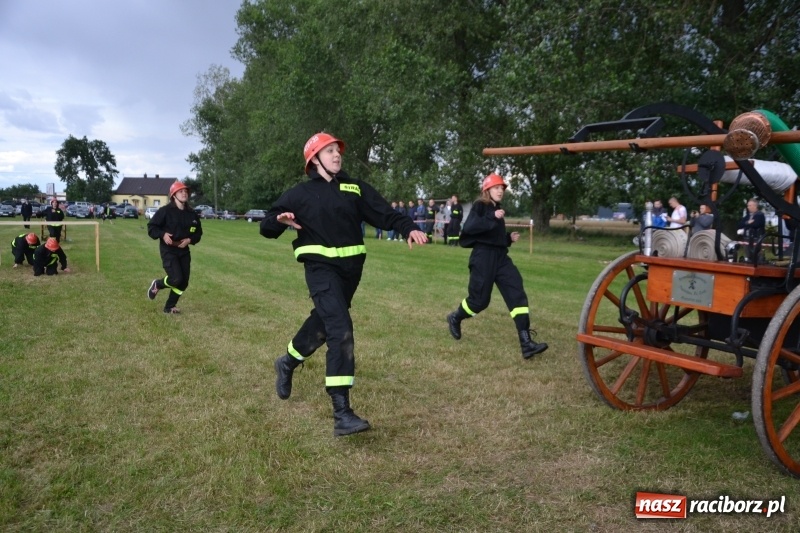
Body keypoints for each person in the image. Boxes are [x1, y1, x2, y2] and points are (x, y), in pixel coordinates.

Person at [260, 132, 427, 437]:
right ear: (314, 159)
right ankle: (342, 412)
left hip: (350, 273)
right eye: (329, 151)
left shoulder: (354, 188)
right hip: (320, 270)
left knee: (323, 325)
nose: (337, 155)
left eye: (338, 150)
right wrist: (279, 220)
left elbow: (384, 213)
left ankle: (287, 362)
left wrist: (408, 227)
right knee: (341, 330)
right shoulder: (300, 194)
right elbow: (267, 226)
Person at [446, 173, 548, 359]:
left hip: (501, 258)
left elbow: (493, 236)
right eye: (496, 188)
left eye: (502, 188)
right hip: (482, 258)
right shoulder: (480, 206)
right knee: (479, 301)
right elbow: (470, 227)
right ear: (487, 190)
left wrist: (508, 238)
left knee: (516, 292)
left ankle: (526, 343)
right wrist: (492, 216)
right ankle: (455, 317)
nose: (500, 191)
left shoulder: (498, 209)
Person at [146, 181, 203, 314]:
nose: (184, 193)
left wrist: (190, 239)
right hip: (169, 250)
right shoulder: (165, 211)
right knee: (176, 278)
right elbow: (151, 227)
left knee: (183, 282)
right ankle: (157, 284)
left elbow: (199, 233)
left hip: (184, 251)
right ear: (174, 195)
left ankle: (169, 307)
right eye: (181, 191)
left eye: (186, 191)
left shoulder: (192, 214)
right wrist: (162, 234)